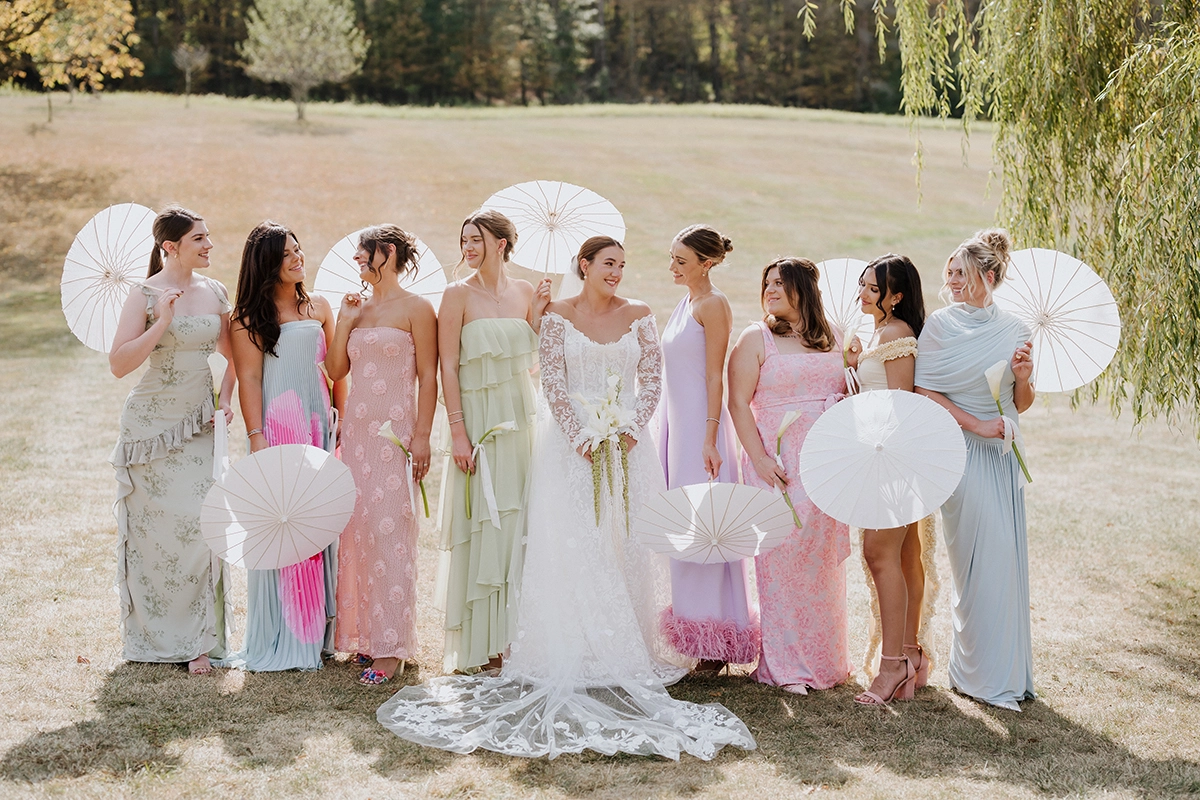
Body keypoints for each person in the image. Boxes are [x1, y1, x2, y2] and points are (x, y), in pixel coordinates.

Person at [376, 236, 755, 759]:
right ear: (585, 265)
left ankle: (627, 646)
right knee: (571, 542)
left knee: (622, 543)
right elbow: (553, 380)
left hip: (626, 446)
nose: (617, 272)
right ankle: (571, 646)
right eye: (607, 264)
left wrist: (629, 426)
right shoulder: (557, 314)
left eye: (622, 264)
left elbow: (651, 377)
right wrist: (579, 434)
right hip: (569, 449)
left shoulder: (640, 312)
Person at [108, 205, 234, 676]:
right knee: (154, 535)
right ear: (171, 246)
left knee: (202, 527)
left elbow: (235, 352)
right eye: (199, 238)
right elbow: (119, 364)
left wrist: (226, 398)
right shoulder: (143, 294)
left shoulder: (216, 292)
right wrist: (161, 320)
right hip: (150, 428)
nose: (209, 245)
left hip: (199, 422)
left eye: (207, 236)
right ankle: (153, 637)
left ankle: (199, 640)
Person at [914, 229, 1036, 711]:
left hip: (1003, 457)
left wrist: (1023, 380)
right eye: (949, 272)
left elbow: (1020, 404)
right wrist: (978, 426)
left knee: (1005, 563)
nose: (951, 279)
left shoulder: (1015, 329)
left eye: (960, 272)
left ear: (988, 275)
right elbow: (927, 392)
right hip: (961, 451)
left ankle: (998, 674)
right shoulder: (940, 325)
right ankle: (979, 675)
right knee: (975, 565)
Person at [727, 257, 851, 693]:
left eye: (780, 283)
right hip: (777, 464)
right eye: (767, 283)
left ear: (805, 288)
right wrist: (758, 458)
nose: (771, 290)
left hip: (825, 463)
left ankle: (827, 662)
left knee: (819, 562)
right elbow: (738, 403)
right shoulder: (754, 338)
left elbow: (847, 391)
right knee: (780, 561)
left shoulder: (835, 337)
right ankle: (785, 667)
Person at [223, 221, 340, 671]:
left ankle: (320, 632)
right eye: (286, 253)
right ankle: (287, 631)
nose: (297, 258)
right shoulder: (247, 318)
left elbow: (335, 371)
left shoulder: (320, 306)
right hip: (280, 425)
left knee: (319, 523)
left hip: (318, 424)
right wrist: (257, 438)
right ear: (266, 264)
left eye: (298, 249)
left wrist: (340, 417)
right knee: (284, 525)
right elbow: (250, 378)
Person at [435, 209, 548, 673]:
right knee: (484, 521)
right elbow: (447, 366)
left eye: (476, 239)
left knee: (519, 520)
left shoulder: (524, 291)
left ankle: (515, 638)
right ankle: (483, 646)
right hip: (477, 425)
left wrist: (539, 316)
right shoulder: (456, 294)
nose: (468, 248)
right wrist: (459, 432)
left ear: (501, 243)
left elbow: (534, 359)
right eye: (464, 240)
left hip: (521, 418)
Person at [326, 225, 438, 686]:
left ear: (386, 253)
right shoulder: (357, 306)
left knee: (392, 532)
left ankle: (392, 649)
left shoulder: (417, 308)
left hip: (396, 437)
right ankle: (366, 636)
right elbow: (335, 370)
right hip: (357, 436)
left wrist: (423, 435)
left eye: (362, 255)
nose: (357, 263)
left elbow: (428, 377)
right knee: (359, 533)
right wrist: (346, 320)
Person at [656, 224, 759, 671]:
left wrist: (710, 434)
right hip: (677, 429)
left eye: (681, 260)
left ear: (707, 262)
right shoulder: (686, 303)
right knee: (684, 526)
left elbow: (715, 374)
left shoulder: (714, 305)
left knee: (706, 528)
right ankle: (697, 633)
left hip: (703, 430)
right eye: (673, 258)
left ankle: (715, 639)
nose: (673, 267)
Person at [851, 253, 939, 705]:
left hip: (894, 459)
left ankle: (892, 666)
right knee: (905, 555)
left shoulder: (897, 334)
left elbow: (900, 406)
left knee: (877, 552)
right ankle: (910, 655)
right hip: (885, 455)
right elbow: (874, 395)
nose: (863, 293)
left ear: (896, 296)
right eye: (863, 285)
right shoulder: (880, 335)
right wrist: (853, 366)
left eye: (872, 288)